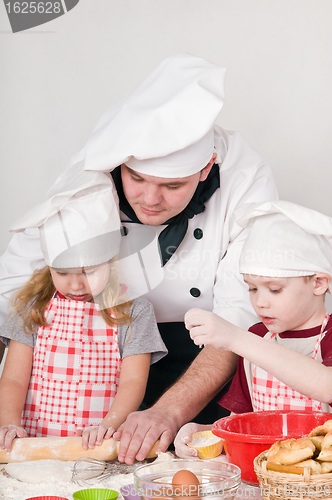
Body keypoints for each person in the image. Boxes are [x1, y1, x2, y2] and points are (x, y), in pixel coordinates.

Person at [0, 53, 278, 463]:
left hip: (203, 352)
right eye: (137, 179)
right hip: (97, 362)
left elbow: (239, 320)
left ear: (206, 169)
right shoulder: (91, 167)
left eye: (172, 185)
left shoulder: (247, 178)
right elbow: (16, 290)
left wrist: (168, 411)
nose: (150, 200)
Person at [0, 171, 167, 452]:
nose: (76, 284)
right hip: (33, 446)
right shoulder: (31, 306)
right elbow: (14, 378)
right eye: (62, 272)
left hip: (99, 446)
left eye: (89, 271)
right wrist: (8, 422)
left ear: (110, 261)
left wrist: (109, 424)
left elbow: (133, 381)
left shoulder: (134, 311)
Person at [176, 200, 332, 458]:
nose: (260, 302)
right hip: (266, 476)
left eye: (274, 289)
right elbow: (242, 425)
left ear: (318, 283)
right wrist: (203, 433)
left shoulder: (326, 335)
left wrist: (236, 338)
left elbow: (326, 386)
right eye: (252, 288)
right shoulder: (258, 336)